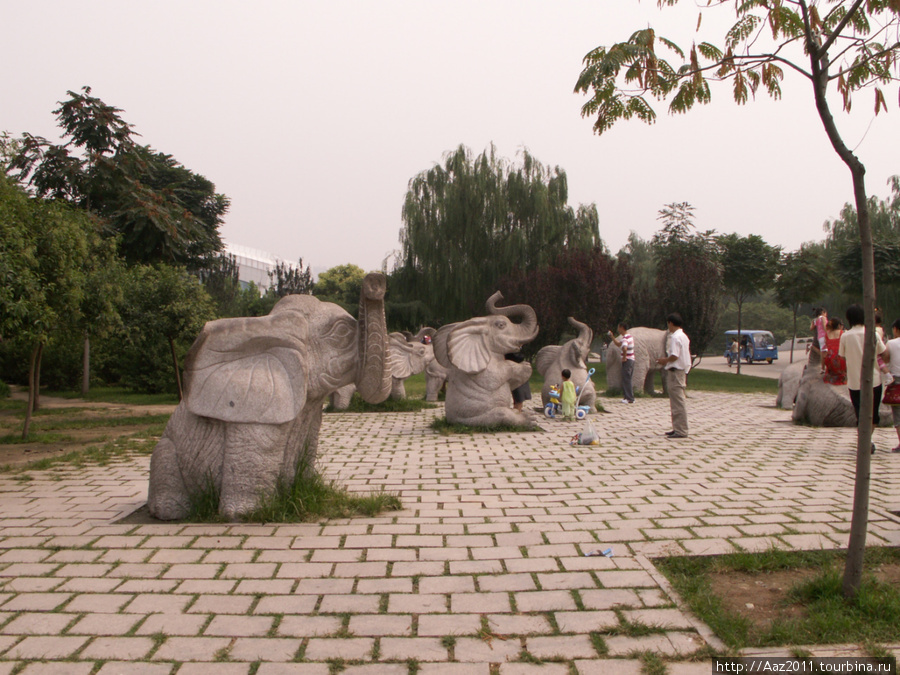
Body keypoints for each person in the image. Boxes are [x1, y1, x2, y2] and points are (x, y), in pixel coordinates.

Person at [838, 303, 886, 454]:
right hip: (874, 380)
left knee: (860, 413)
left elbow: (842, 356)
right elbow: (882, 353)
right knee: (873, 414)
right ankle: (867, 440)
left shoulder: (845, 336)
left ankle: (865, 441)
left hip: (854, 382)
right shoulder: (873, 334)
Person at [657, 313, 691, 439]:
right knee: (676, 401)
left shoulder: (675, 338)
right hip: (679, 370)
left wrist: (664, 360)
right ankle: (677, 427)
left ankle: (681, 430)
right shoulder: (684, 336)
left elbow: (675, 356)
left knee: (678, 401)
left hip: (676, 371)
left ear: (670, 323)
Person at [608, 322, 635, 403]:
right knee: (626, 378)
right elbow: (619, 344)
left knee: (626, 379)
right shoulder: (628, 337)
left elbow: (624, 348)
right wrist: (612, 337)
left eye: (618, 327)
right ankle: (627, 397)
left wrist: (624, 357)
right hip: (631, 359)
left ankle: (629, 398)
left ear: (622, 327)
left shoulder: (625, 338)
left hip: (628, 360)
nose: (618, 329)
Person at [885, 318, 900, 453]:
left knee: (898, 414)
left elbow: (886, 358)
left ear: (896, 329)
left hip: (897, 381)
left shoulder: (891, 343)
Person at [822, 317, 847, 385]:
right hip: (839, 359)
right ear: (839, 325)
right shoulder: (843, 333)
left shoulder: (826, 335)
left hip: (829, 360)